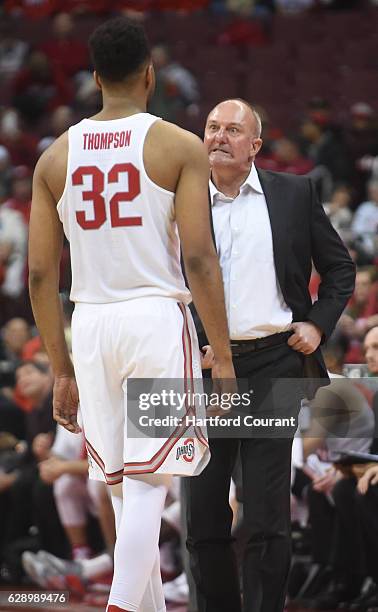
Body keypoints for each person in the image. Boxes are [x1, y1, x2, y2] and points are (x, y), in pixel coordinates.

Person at [28, 17, 235, 612]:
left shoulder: (53, 157)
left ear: (95, 78)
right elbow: (198, 256)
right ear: (150, 74)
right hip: (152, 318)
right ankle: (122, 606)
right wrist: (220, 355)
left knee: (121, 487)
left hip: (90, 324)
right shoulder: (178, 145)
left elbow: (42, 276)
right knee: (147, 486)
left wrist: (60, 368)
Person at [185, 98, 356, 612]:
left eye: (232, 129)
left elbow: (340, 270)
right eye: (212, 127)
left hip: (272, 362)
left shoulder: (294, 193)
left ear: (255, 145)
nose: (218, 136)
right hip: (204, 367)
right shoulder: (179, 199)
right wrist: (190, 338)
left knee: (265, 514)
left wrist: (317, 323)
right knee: (203, 515)